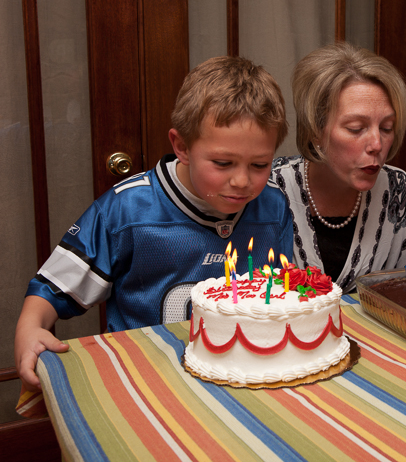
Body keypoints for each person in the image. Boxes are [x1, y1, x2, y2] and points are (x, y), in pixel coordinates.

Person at [15, 56, 293, 391]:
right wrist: (30, 328)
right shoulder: (127, 209)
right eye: (223, 162)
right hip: (144, 382)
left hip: (246, 379)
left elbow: (283, 291)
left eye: (260, 164)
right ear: (182, 146)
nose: (241, 181)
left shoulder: (273, 205)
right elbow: (52, 289)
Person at [271, 42, 406, 292]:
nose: (377, 144)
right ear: (316, 131)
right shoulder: (270, 188)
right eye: (356, 128)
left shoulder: (399, 191)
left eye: (387, 128)